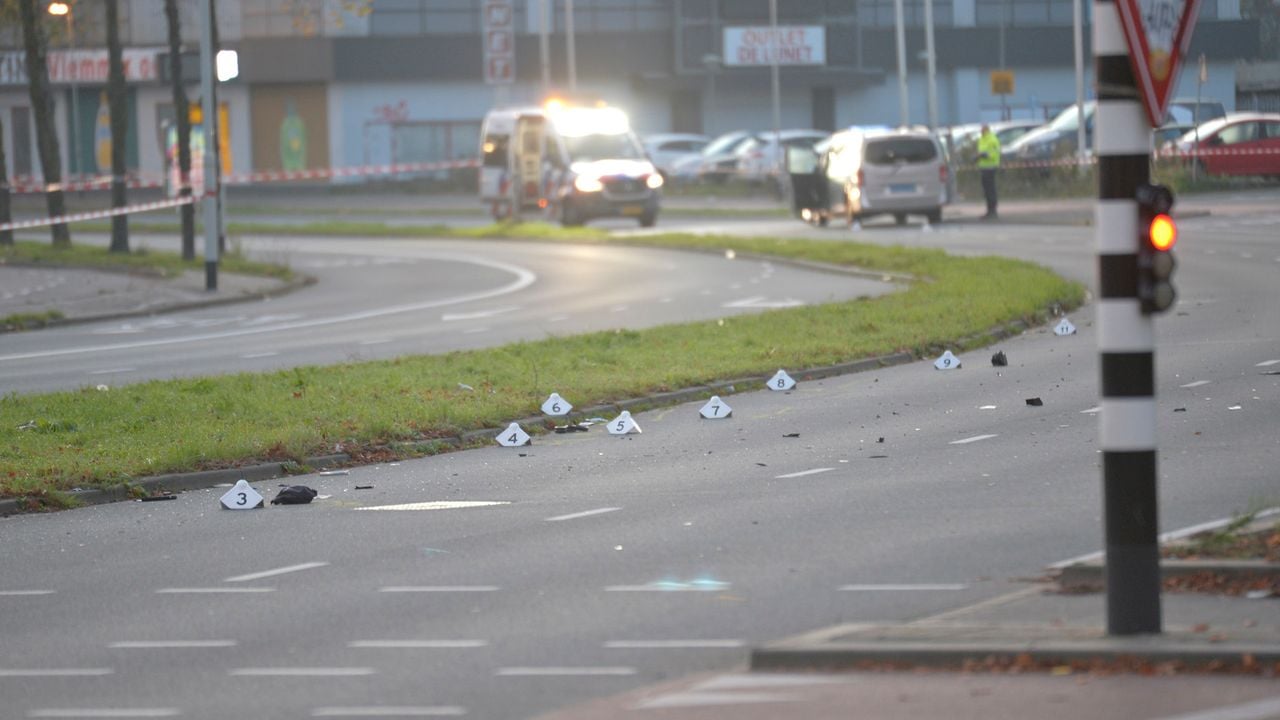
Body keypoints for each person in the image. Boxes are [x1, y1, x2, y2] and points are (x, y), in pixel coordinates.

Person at [976, 124, 1001, 219]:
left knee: (990, 190)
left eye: (982, 130)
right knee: (986, 190)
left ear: (986, 130)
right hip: (983, 167)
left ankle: (992, 210)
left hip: (991, 167)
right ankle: (989, 210)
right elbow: (981, 151)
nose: (981, 131)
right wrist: (978, 157)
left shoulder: (992, 139)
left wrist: (985, 155)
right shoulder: (982, 139)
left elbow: (995, 153)